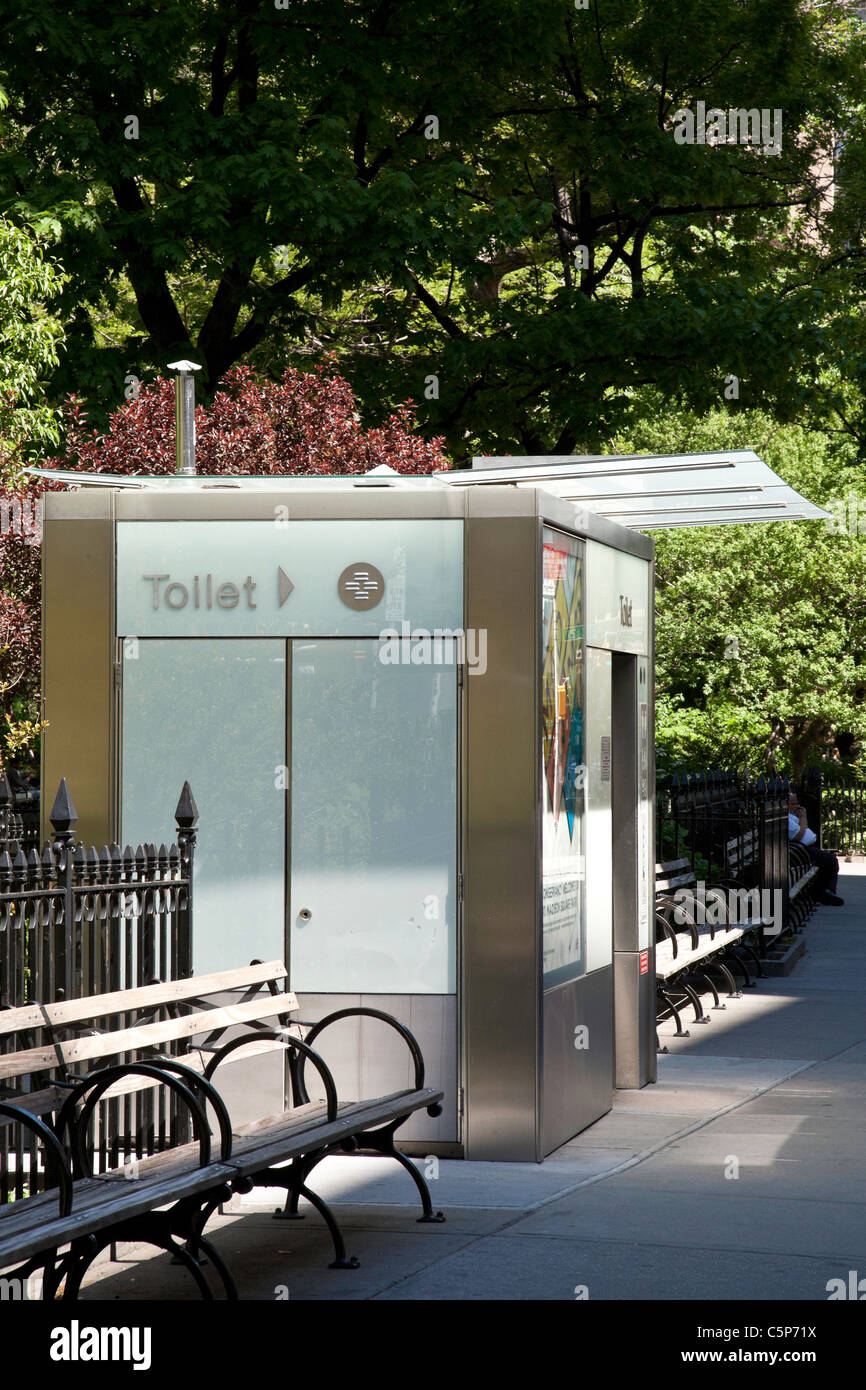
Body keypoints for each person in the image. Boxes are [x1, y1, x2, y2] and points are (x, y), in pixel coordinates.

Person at [788, 792, 843, 906]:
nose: (797, 806)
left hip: (802, 849)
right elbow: (798, 835)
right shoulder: (785, 818)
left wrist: (803, 819)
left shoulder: (792, 816)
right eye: (792, 804)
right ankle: (824, 893)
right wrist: (803, 818)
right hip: (798, 851)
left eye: (797, 803)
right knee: (830, 860)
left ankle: (823, 892)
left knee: (827, 860)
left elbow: (803, 828)